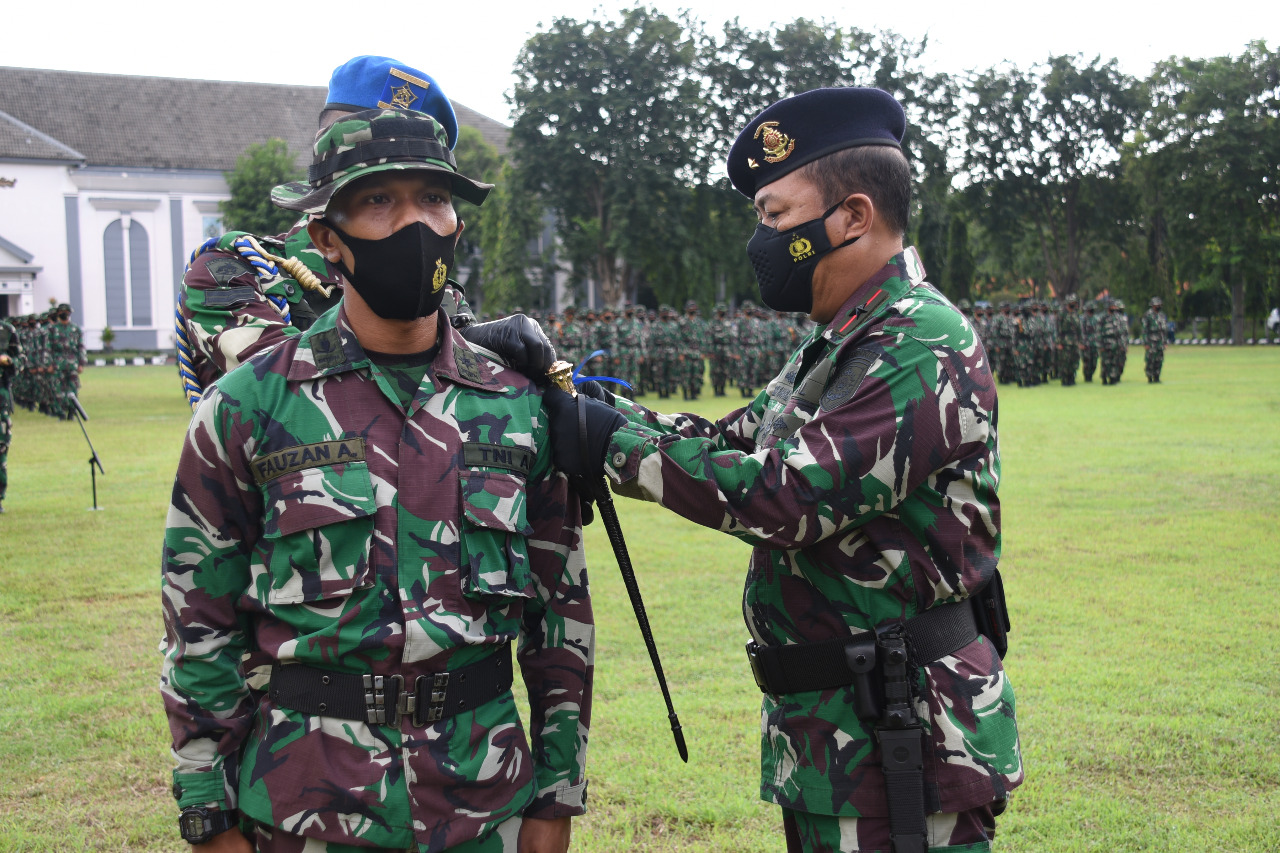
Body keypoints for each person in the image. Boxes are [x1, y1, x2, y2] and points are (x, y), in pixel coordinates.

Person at [544, 87, 1021, 853]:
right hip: (840, 729)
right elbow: (729, 440)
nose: (761, 237)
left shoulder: (918, 340)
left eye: (774, 214)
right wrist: (569, 401)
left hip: (907, 735)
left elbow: (787, 495)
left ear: (853, 216)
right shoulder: (838, 341)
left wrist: (608, 445)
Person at [160, 79, 594, 853]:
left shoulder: (520, 408)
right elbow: (200, 628)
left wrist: (555, 799)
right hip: (306, 812)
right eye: (378, 203)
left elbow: (560, 621)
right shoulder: (246, 407)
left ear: (457, 220)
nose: (414, 224)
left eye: (433, 198)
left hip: (482, 806)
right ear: (326, 237)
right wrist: (206, 815)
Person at [176, 56, 552, 409]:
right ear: (327, 147)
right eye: (377, 193)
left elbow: (480, 409)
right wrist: (464, 350)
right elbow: (291, 394)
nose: (411, 222)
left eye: (431, 195)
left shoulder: (439, 290)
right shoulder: (235, 270)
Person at [0, 315, 23, 513]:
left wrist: (8, 361)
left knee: (1, 448)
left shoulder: (7, 331)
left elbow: (21, 360)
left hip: (0, 399)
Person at [1141, 296, 1169, 383]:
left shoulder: (1162, 315)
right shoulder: (1148, 315)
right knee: (1150, 360)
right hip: (1151, 341)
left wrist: (1165, 342)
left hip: (1160, 342)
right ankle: (1149, 377)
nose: (1158, 306)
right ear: (1153, 305)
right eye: (1157, 305)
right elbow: (1145, 330)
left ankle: (1157, 377)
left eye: (1159, 304)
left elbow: (1164, 330)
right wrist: (1146, 343)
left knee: (1159, 360)